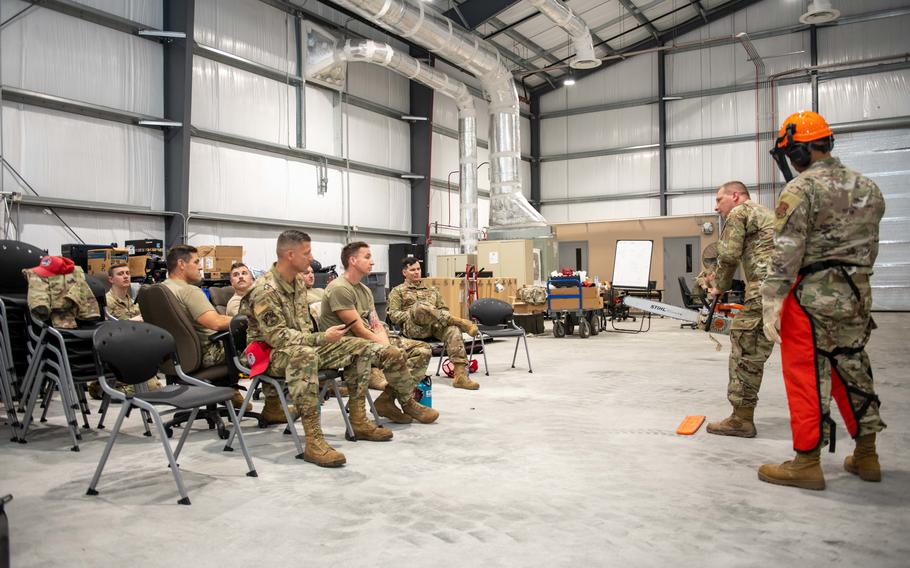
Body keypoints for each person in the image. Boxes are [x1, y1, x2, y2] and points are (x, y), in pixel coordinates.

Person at [758, 110, 886, 490]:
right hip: (856, 295)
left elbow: (786, 252)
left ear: (799, 152)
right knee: (854, 369)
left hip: (811, 298)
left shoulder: (802, 189)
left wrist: (771, 298)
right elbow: (870, 247)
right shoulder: (868, 187)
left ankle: (806, 462)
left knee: (807, 376)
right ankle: (867, 455)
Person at [241, 230, 410, 467]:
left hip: (300, 345)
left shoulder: (297, 282)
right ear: (290, 255)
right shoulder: (264, 290)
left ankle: (359, 420)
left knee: (359, 347)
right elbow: (278, 338)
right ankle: (314, 441)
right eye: (307, 252)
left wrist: (324, 339)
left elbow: (303, 331)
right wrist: (322, 337)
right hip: (267, 354)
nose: (311, 257)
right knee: (305, 355)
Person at [319, 242, 437, 425]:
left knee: (422, 350)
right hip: (344, 345)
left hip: (369, 341)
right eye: (367, 257)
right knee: (393, 353)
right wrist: (386, 346)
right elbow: (358, 329)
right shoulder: (339, 288)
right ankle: (407, 402)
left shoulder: (364, 290)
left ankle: (386, 400)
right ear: (352, 260)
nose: (372, 262)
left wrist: (384, 341)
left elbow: (375, 323)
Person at [703, 181, 775, 438]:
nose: (716, 206)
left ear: (735, 196)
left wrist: (717, 287)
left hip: (764, 289)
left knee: (746, 350)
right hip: (786, 290)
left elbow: (729, 255)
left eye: (719, 199)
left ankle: (741, 419)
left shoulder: (739, 212)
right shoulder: (768, 213)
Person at [159, 245, 242, 407]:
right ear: (182, 264)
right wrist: (247, 320)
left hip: (175, 358)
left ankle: (228, 393)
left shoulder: (161, 289)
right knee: (263, 344)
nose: (201, 266)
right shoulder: (189, 291)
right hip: (207, 354)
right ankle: (273, 404)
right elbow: (216, 323)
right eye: (197, 262)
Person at [387, 256, 480, 390]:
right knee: (420, 307)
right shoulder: (397, 291)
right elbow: (394, 316)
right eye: (412, 270)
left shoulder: (432, 290)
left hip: (434, 327)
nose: (417, 272)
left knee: (453, 330)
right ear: (404, 272)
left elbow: (443, 310)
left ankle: (460, 376)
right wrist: (414, 313)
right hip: (414, 328)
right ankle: (462, 322)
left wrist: (431, 314)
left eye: (418, 269)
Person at [88, 264, 160, 398]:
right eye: (120, 274)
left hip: (133, 350)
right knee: (149, 388)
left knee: (154, 386)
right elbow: (103, 331)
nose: (126, 276)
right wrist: (132, 322)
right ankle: (99, 387)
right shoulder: (105, 303)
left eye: (127, 273)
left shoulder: (132, 302)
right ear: (111, 279)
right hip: (115, 353)